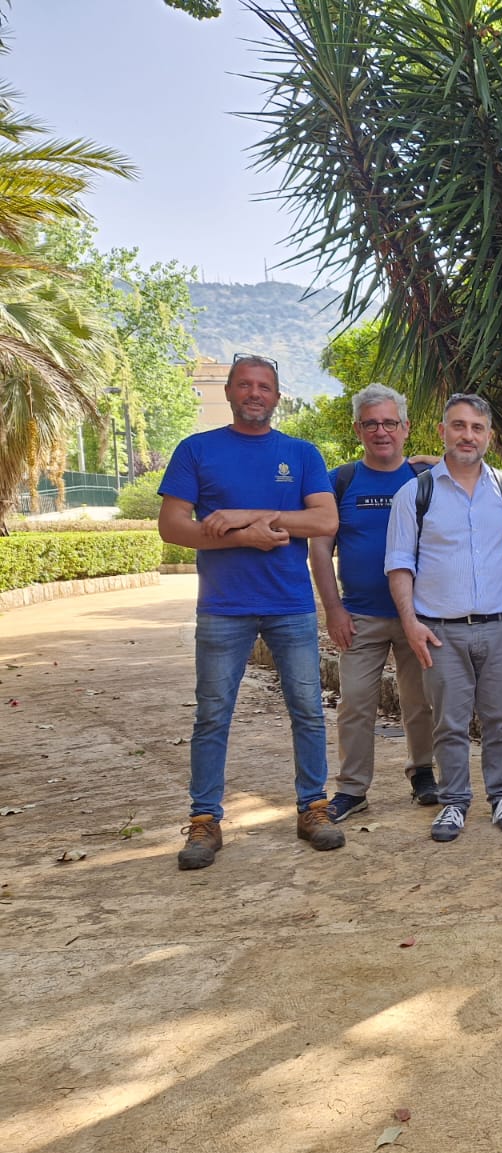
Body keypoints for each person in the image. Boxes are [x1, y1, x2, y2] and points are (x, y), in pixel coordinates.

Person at [158, 353, 341, 869]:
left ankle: (313, 809)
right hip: (223, 607)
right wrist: (246, 537)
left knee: (307, 710)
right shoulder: (196, 450)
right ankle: (204, 820)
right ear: (229, 392)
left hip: (290, 605)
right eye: (244, 384)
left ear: (277, 396)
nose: (254, 393)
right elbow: (172, 526)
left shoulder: (301, 453)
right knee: (213, 715)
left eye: (264, 386)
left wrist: (244, 516)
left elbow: (324, 520)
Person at [385, 393, 502, 843]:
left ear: (489, 436)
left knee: (501, 719)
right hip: (440, 632)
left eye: (477, 427)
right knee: (448, 722)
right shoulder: (416, 493)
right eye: (459, 425)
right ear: (442, 431)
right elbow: (399, 564)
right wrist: (410, 624)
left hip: (500, 628)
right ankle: (454, 802)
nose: (468, 435)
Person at [308, 383, 438, 823]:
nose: (381, 431)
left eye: (389, 423)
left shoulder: (425, 479)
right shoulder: (339, 480)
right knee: (355, 704)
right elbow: (320, 549)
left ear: (406, 428)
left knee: (420, 701)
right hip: (359, 616)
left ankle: (423, 772)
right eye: (371, 424)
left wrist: (441, 462)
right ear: (357, 430)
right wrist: (333, 609)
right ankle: (352, 788)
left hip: (417, 616)